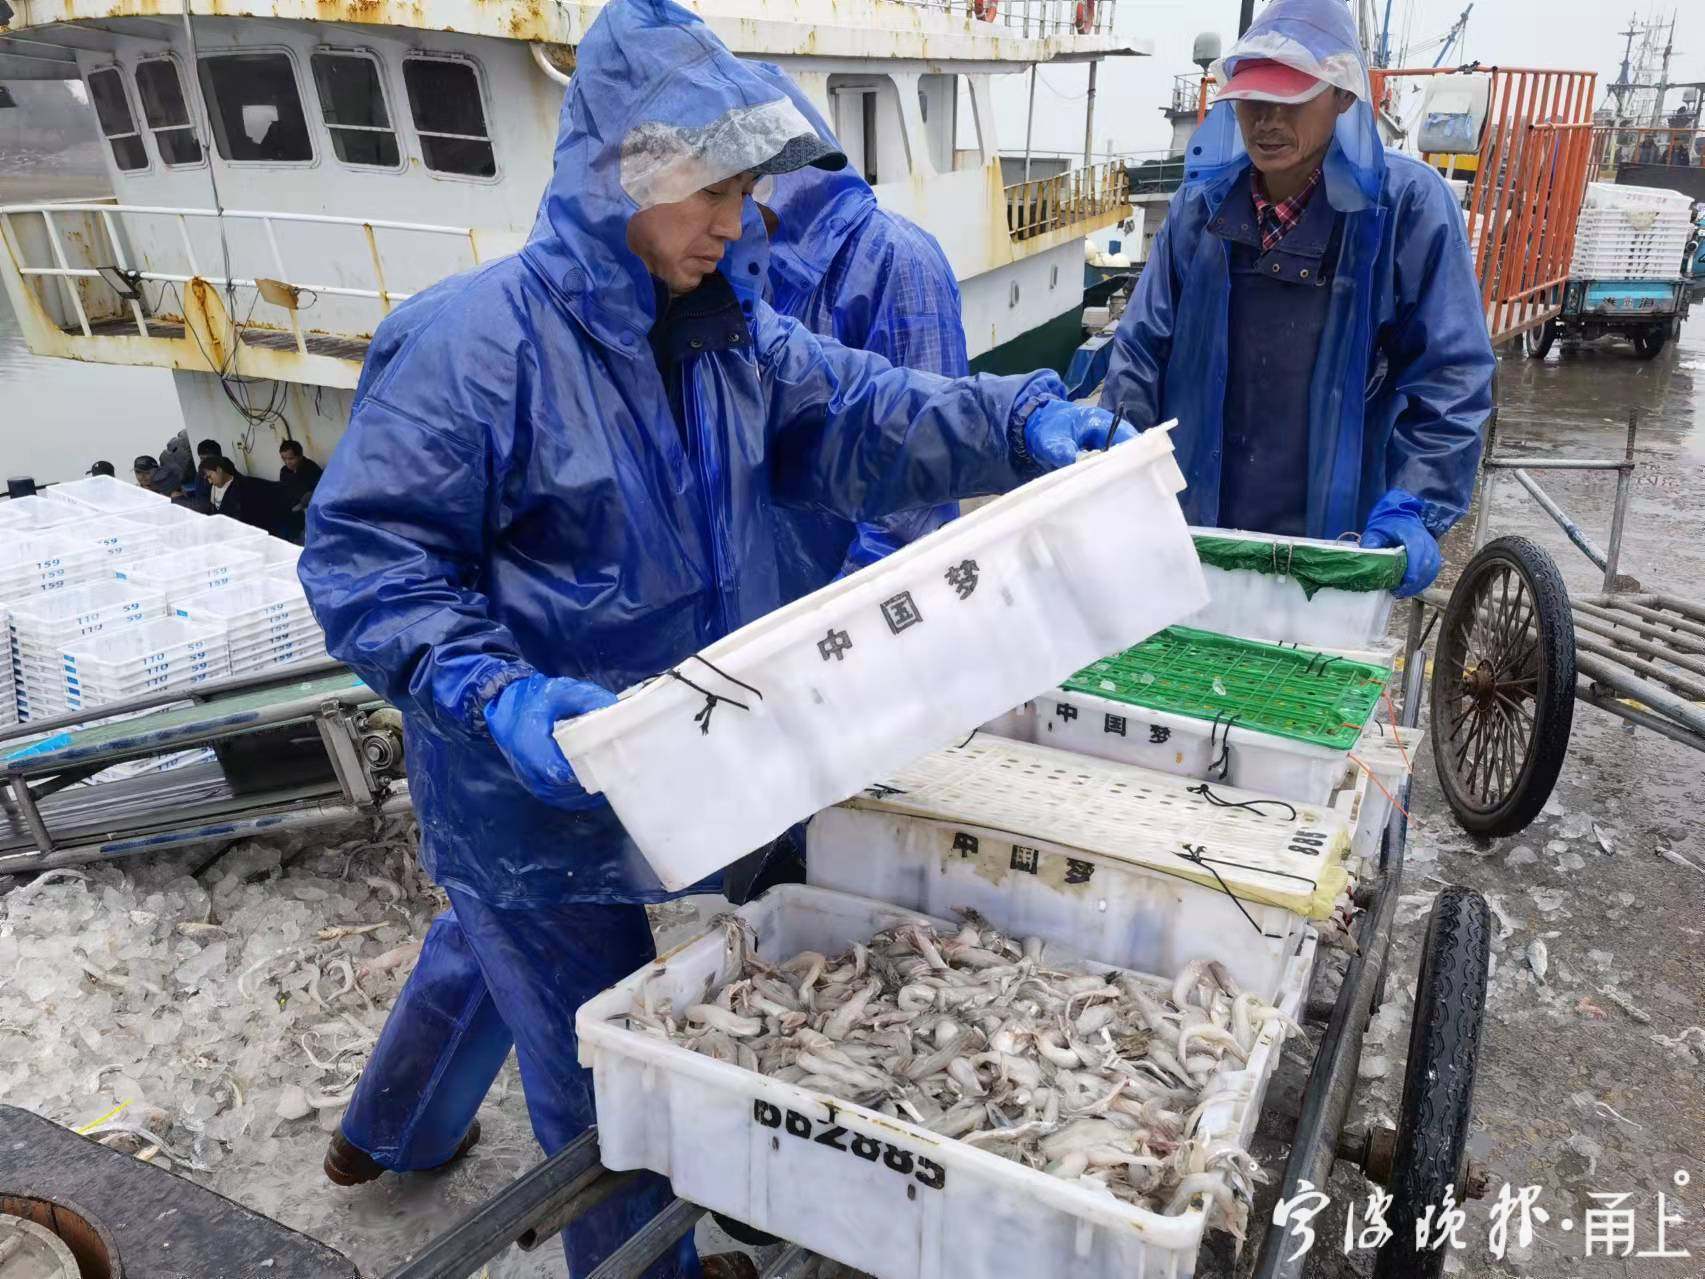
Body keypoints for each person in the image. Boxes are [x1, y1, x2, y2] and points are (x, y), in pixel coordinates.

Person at [297, 2, 1128, 1275]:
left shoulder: (727, 333)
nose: (740, 223)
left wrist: (1015, 422)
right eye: (717, 191)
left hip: (694, 752)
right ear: (627, 174)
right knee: (599, 1089)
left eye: (748, 191)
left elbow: (867, 409)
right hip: (527, 787)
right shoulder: (470, 345)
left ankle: (431, 1140)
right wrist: (495, 695)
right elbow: (371, 564)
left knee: (658, 1004)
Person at [1100, 0, 1493, 598]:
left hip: (1341, 545)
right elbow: (1140, 353)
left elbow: (1452, 375)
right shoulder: (1197, 208)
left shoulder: (1408, 207)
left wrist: (1415, 503)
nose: (1266, 121)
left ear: (1343, 98)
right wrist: (1116, 469)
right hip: (1196, 534)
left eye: (1290, 100)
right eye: (1253, 101)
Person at [753, 64, 965, 598]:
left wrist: (835, 615)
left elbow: (918, 481)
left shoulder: (896, 260)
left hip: (859, 609)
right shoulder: (742, 264)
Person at [202, 455, 291, 537]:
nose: (210, 481)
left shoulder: (242, 488)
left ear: (219, 470)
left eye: (210, 476)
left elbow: (240, 519)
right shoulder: (213, 487)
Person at [277, 439, 322, 542]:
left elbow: (317, 491)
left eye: (291, 458)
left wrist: (302, 504)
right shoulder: (284, 472)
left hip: (309, 512)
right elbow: (283, 492)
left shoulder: (311, 469)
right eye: (284, 459)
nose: (287, 462)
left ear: (300, 456)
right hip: (291, 513)